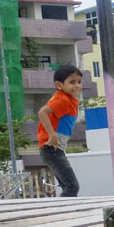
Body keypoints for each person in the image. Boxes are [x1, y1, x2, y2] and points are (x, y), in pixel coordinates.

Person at [37, 64, 83, 197]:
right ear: (59, 85)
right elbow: (42, 112)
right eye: (72, 82)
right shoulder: (62, 100)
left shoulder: (68, 99)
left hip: (55, 149)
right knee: (72, 186)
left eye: (79, 82)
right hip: (52, 149)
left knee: (67, 186)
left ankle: (64, 209)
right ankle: (63, 212)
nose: (77, 86)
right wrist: (52, 136)